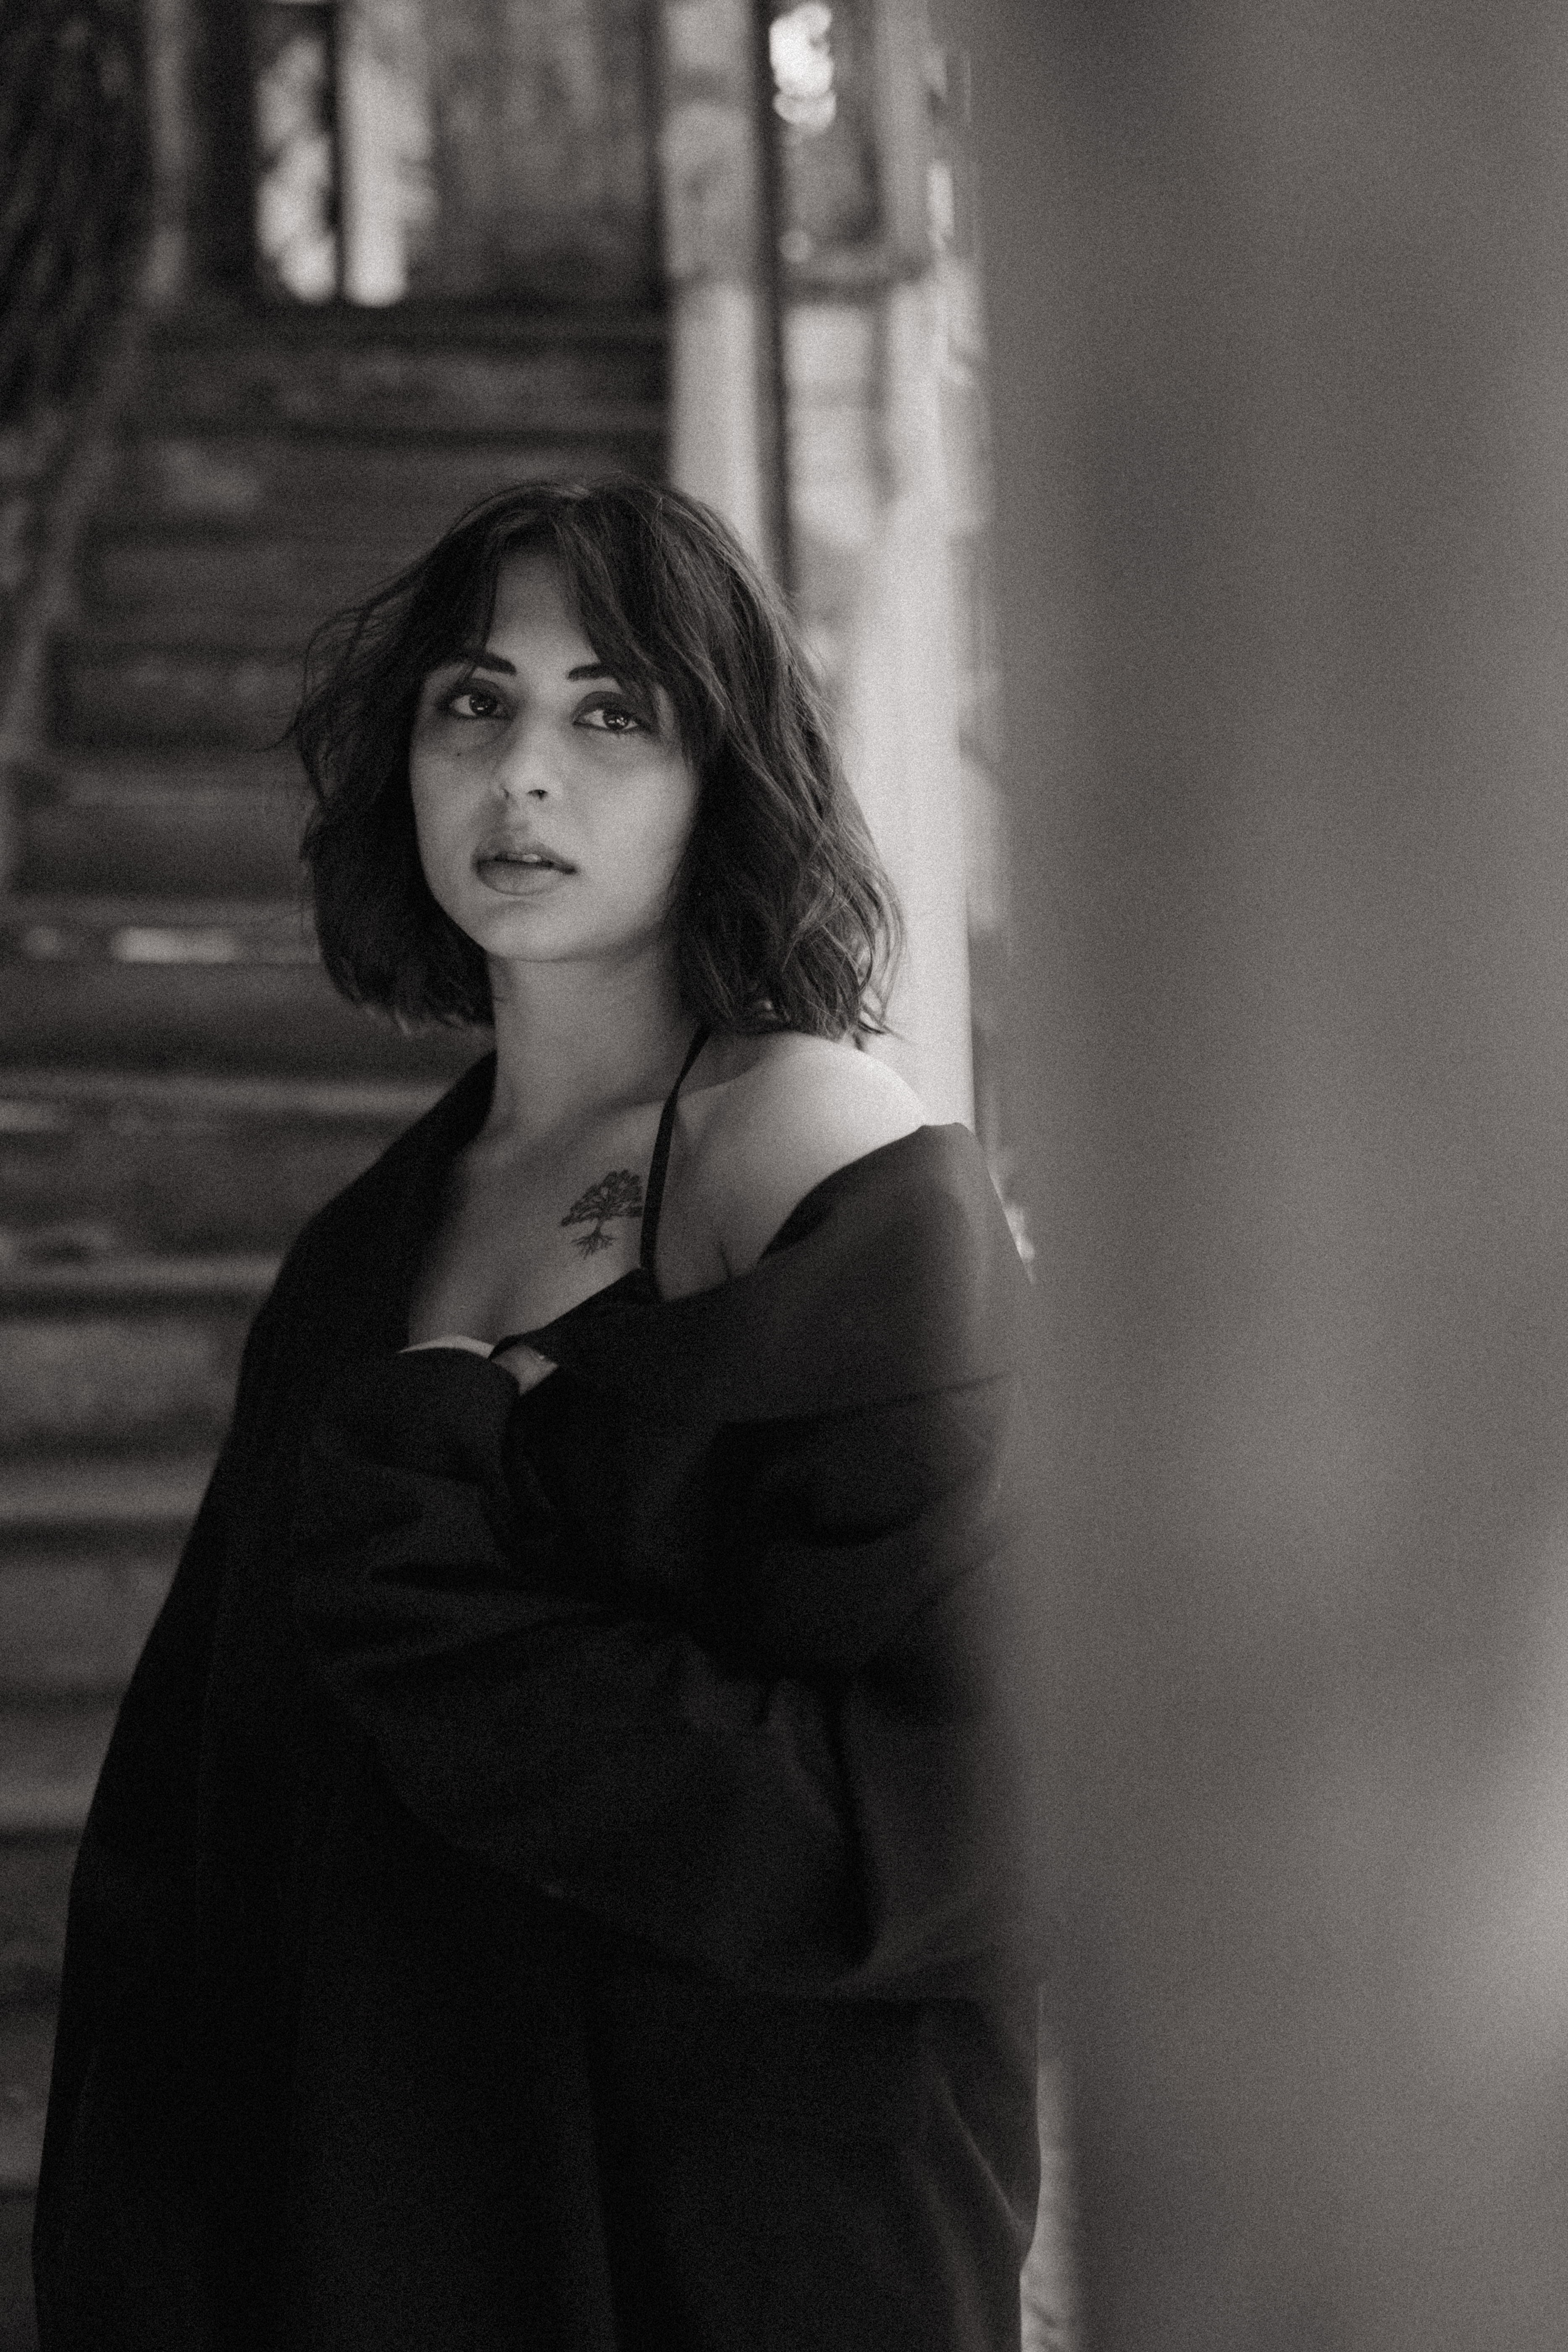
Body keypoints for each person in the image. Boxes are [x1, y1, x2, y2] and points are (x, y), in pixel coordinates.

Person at [34, 481, 1044, 2350]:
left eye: (612, 713)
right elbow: (212, 1819)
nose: (522, 776)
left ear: (723, 774)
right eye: (474, 703)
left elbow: (981, 1793)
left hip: (745, 2241)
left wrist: (463, 1626)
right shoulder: (364, 1246)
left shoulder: (806, 1147)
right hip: (404, 2211)